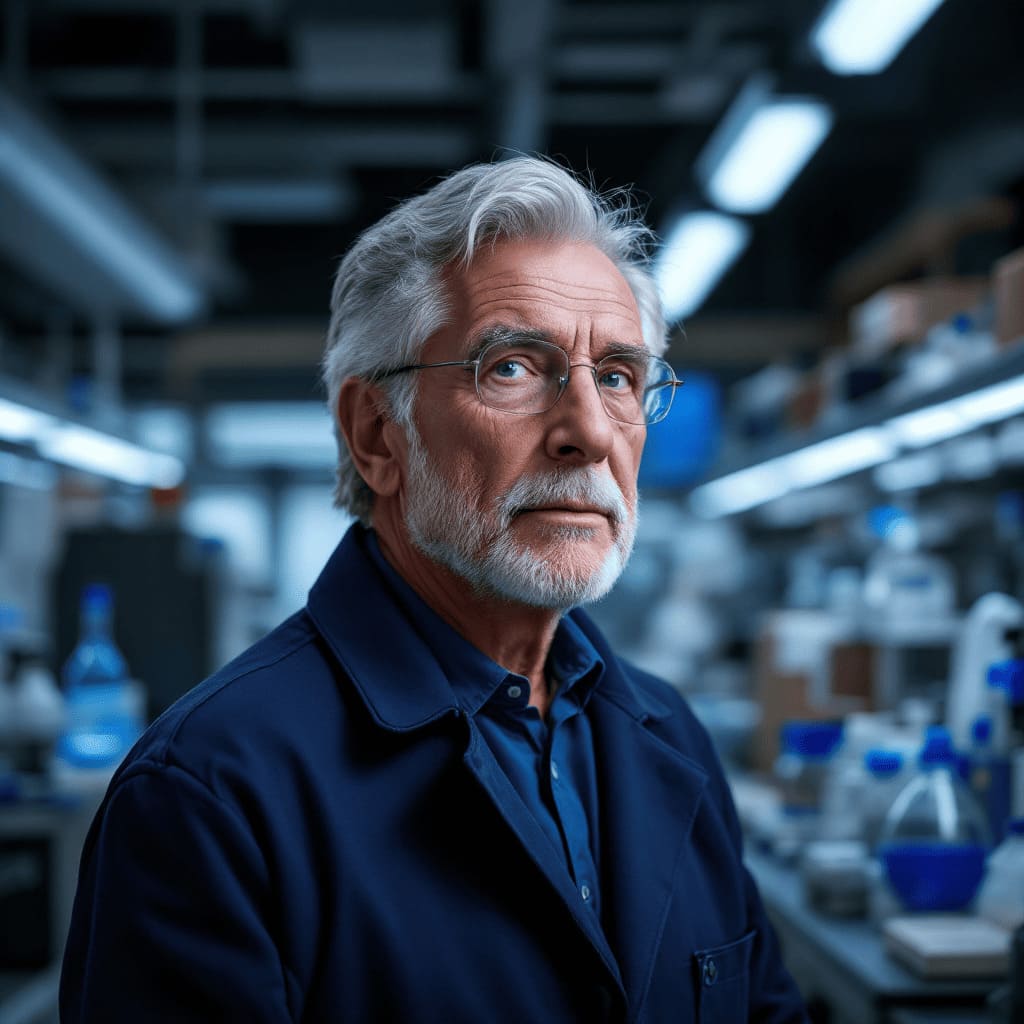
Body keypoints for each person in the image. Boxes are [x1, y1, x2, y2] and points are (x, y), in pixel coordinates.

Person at [60, 156, 807, 1023]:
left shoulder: (670, 735)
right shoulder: (210, 793)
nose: (590, 432)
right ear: (378, 435)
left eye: (617, 377)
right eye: (513, 367)